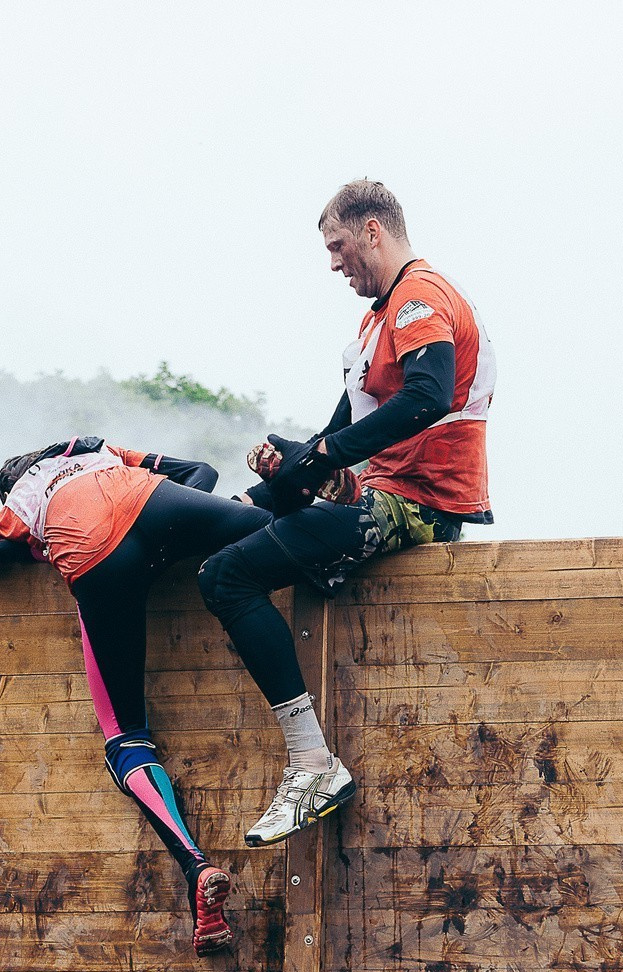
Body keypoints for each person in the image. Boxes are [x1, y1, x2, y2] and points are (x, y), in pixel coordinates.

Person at [200, 179, 497, 847]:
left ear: (373, 231)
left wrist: (322, 455)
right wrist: (279, 478)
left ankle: (312, 764)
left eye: (338, 247)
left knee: (226, 577)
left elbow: (425, 396)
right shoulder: (373, 324)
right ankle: (297, 550)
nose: (334, 264)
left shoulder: (421, 297)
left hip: (419, 506)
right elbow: (330, 444)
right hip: (376, 495)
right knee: (235, 526)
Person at [0, 437, 271, 955]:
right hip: (155, 501)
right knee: (273, 521)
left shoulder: (24, 496)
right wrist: (172, 539)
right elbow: (200, 472)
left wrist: (14, 545)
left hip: (96, 561)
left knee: (127, 740)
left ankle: (196, 866)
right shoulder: (99, 450)